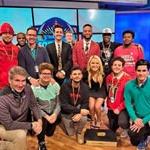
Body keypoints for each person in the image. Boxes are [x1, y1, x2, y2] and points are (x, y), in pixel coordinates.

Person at [0, 66, 42, 150]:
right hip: (4, 125)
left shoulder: (28, 88)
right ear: (9, 80)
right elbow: (9, 124)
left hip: (21, 123)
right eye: (17, 80)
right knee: (21, 135)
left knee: (21, 139)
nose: (20, 84)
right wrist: (31, 125)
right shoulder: (2, 97)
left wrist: (39, 120)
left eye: (23, 81)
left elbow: (34, 105)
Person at [31, 63, 60, 150]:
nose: (46, 76)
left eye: (48, 74)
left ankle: (46, 130)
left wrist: (54, 114)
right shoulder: (33, 88)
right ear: (39, 74)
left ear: (51, 75)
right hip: (41, 113)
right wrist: (47, 116)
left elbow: (59, 103)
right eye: (44, 73)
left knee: (50, 133)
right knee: (41, 122)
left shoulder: (55, 85)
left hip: (53, 111)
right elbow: (35, 106)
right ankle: (41, 142)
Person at [124, 59, 150, 150]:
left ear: (148, 71)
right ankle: (144, 137)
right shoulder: (129, 85)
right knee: (133, 137)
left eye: (144, 71)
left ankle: (146, 136)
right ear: (135, 71)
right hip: (138, 117)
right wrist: (135, 118)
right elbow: (127, 103)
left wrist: (145, 121)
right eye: (139, 70)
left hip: (149, 116)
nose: (141, 73)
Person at [59, 67, 89, 144]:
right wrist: (79, 111)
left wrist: (80, 113)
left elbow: (85, 103)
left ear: (82, 76)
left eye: (79, 74)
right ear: (71, 76)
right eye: (74, 74)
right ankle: (60, 121)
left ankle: (79, 133)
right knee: (70, 134)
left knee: (84, 118)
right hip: (66, 112)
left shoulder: (85, 87)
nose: (77, 76)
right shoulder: (64, 86)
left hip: (77, 109)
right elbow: (63, 105)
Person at [106, 57, 131, 137]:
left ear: (123, 67)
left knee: (122, 122)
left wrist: (119, 108)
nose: (117, 67)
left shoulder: (128, 79)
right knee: (112, 128)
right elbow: (109, 92)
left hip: (122, 107)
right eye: (115, 65)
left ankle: (126, 128)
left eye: (119, 65)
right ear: (111, 66)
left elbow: (129, 99)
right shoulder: (108, 77)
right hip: (111, 107)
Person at [87, 55, 107, 128]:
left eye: (97, 63)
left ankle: (99, 120)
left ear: (100, 64)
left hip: (101, 91)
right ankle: (92, 119)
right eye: (93, 63)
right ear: (89, 64)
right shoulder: (86, 73)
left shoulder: (104, 73)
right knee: (91, 106)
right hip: (91, 91)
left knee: (97, 106)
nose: (95, 65)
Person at [0, 22, 19, 89]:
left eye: (10, 33)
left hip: (14, 85)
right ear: (1, 34)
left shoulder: (16, 48)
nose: (8, 35)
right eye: (5, 33)